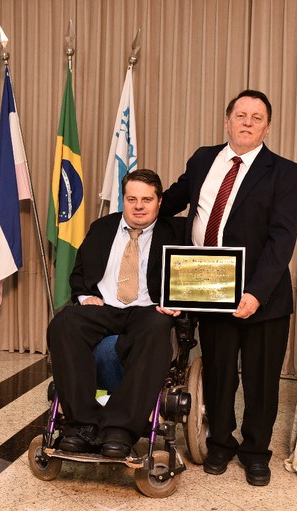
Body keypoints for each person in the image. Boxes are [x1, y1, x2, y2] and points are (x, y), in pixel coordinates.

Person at [160, 90, 297, 486]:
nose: (247, 122)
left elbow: (282, 239)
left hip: (263, 297)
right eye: (241, 115)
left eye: (257, 118)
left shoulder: (284, 172)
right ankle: (220, 443)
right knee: (220, 375)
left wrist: (255, 293)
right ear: (227, 121)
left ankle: (256, 452)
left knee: (261, 381)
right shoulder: (203, 159)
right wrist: (131, 210)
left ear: (267, 128)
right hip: (210, 288)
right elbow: (170, 202)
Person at [47, 169, 185, 459]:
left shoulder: (178, 232)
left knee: (157, 328)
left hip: (149, 308)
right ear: (123, 200)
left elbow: (194, 274)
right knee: (64, 323)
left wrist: (178, 300)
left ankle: (119, 429)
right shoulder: (102, 227)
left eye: (147, 199)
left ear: (159, 201)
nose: (139, 206)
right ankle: (81, 426)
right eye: (132, 199)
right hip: (105, 307)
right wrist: (84, 297)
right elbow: (79, 273)